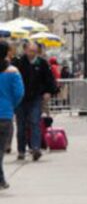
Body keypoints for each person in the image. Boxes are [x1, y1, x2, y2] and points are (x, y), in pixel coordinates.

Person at [12, 40, 57, 161]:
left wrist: (48, 91)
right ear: (25, 50)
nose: (33, 53)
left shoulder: (42, 63)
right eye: (31, 51)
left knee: (35, 122)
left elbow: (49, 79)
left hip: (36, 97)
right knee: (21, 125)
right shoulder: (18, 62)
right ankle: (21, 150)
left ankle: (36, 148)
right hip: (20, 98)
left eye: (35, 51)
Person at [0, 41, 24, 189]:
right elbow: (19, 93)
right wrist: (11, 106)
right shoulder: (13, 71)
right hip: (5, 115)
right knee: (1, 149)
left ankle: (1, 179)